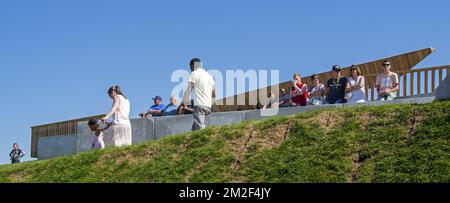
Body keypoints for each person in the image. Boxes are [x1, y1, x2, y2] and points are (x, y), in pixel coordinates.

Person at [183, 58, 216, 131]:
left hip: (199, 105)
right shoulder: (209, 76)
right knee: (195, 129)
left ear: (193, 66)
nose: (190, 69)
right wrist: (211, 105)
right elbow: (213, 93)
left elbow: (189, 89)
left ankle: (205, 141)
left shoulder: (194, 73)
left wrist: (184, 101)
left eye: (190, 67)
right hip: (208, 106)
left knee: (200, 129)